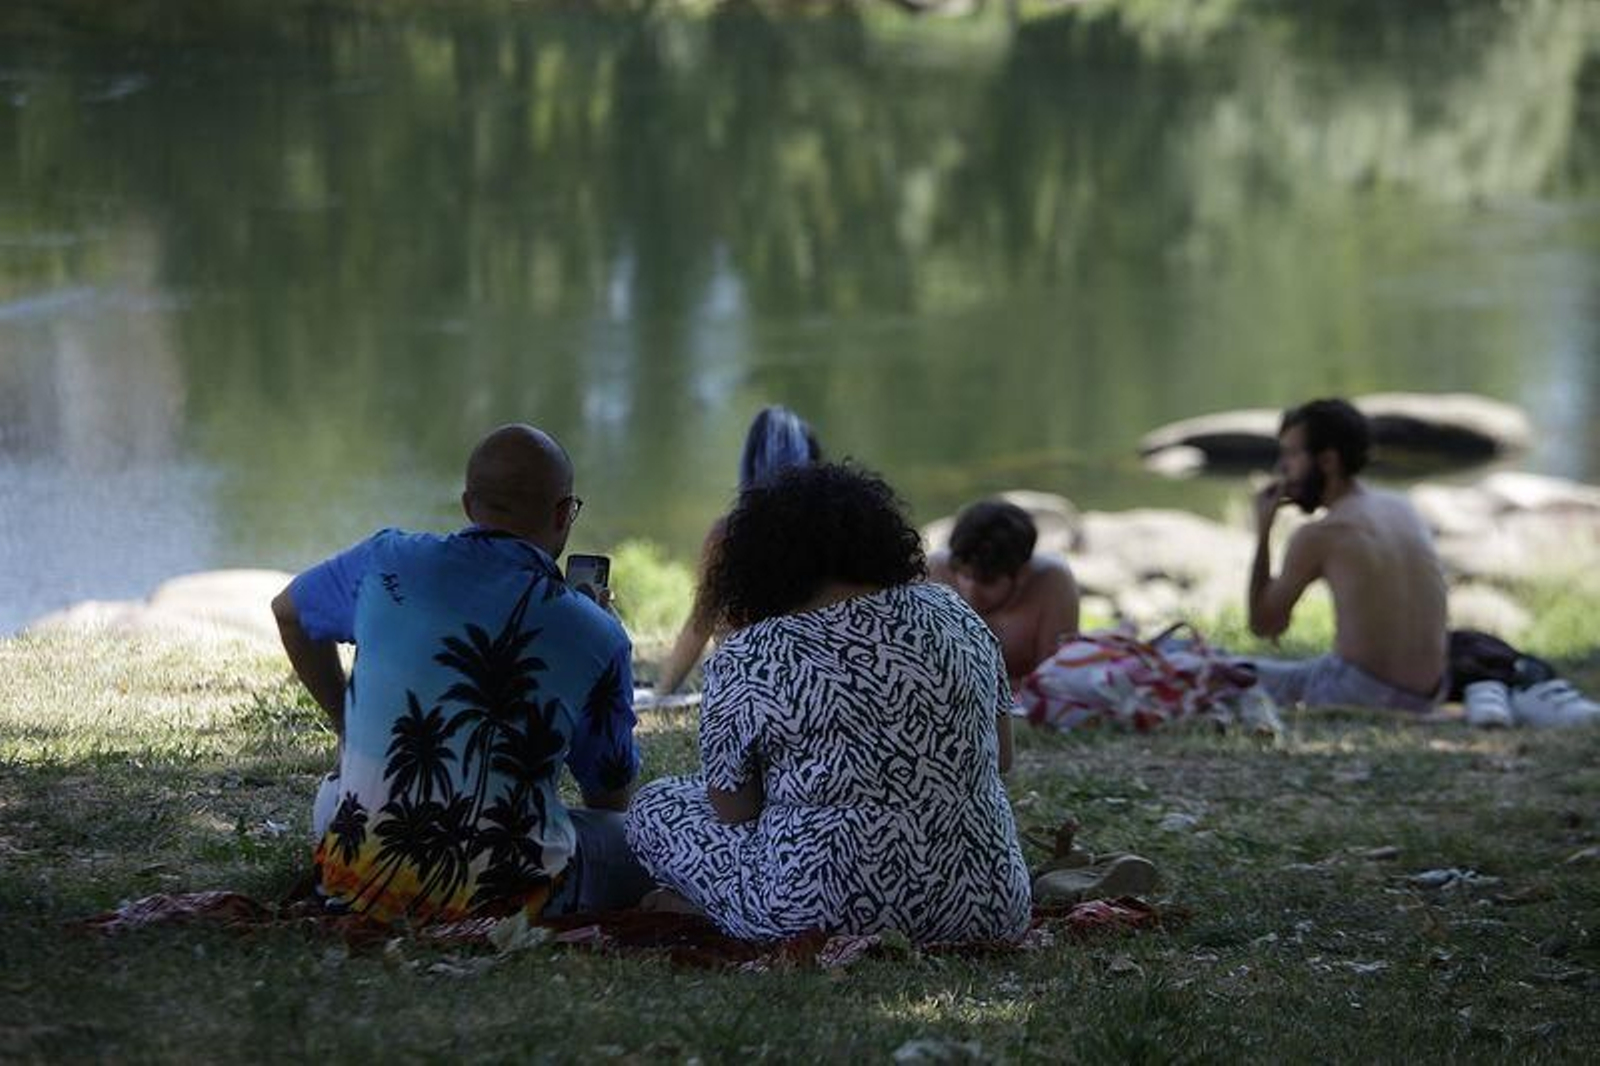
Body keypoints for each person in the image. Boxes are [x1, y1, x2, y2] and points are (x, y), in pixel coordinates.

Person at [625, 463, 1031, 944]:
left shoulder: (751, 654)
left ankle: (712, 912)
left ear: (762, 559)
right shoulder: (953, 613)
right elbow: (1002, 758)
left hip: (818, 916)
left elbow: (734, 810)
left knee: (654, 806)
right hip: (988, 905)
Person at [271, 424, 652, 923]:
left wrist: (345, 721)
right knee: (653, 838)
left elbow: (289, 612)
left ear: (469, 505)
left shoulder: (385, 559)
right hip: (509, 890)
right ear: (563, 515)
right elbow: (609, 796)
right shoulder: (597, 635)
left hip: (358, 866)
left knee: (331, 798)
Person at [1246, 398, 1448, 712]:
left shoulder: (1322, 533)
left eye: (1291, 455)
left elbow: (1264, 624)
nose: (1281, 469)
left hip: (1359, 693)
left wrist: (1263, 531)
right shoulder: (1402, 507)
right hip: (1428, 695)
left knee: (1224, 671)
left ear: (1327, 461)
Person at [654, 405, 821, 694]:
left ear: (751, 463)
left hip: (747, 692)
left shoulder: (727, 534)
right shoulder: (831, 529)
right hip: (815, 683)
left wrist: (660, 693)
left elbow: (700, 623)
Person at [929, 499, 1080, 690]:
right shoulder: (937, 570)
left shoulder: (1052, 581)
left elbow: (1056, 679)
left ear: (1022, 573)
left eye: (988, 582)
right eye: (965, 575)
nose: (971, 592)